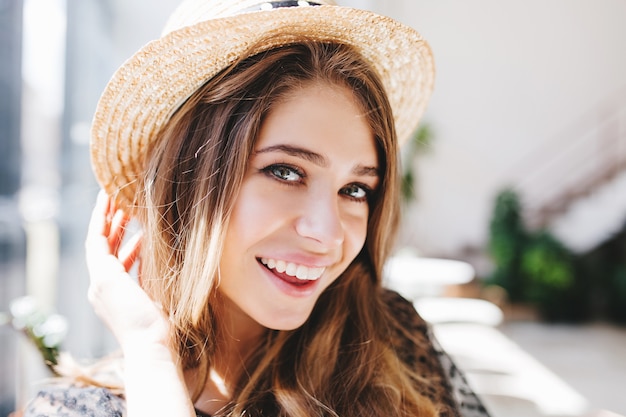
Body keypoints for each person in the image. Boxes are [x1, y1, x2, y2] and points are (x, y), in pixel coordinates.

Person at [24, 0, 490, 416]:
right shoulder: (74, 411)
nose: (327, 234)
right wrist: (149, 351)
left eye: (355, 189)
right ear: (186, 179)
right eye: (286, 172)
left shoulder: (392, 342)